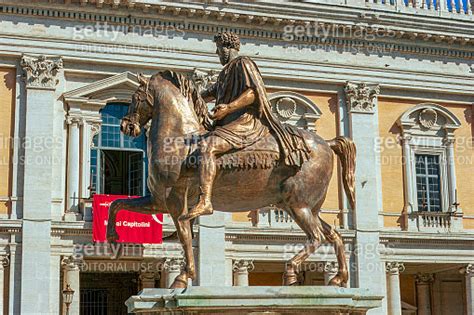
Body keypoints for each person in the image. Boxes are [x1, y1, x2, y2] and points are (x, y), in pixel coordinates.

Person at [180, 32, 310, 222]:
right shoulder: (225, 73)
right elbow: (209, 93)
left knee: (207, 147)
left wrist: (229, 107)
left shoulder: (243, 63)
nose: (217, 54)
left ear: (227, 47)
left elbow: (253, 93)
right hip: (227, 124)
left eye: (218, 50)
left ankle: (206, 200)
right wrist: (187, 96)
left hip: (244, 122)